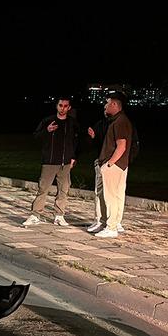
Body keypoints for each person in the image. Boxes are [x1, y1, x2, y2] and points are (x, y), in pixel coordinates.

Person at [22, 97, 80, 227]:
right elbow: (36, 137)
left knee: (63, 189)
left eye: (65, 106)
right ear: (57, 106)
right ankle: (35, 215)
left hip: (65, 163)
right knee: (43, 189)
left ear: (69, 108)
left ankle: (59, 216)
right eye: (60, 105)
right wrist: (46, 131)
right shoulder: (48, 121)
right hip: (49, 161)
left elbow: (76, 142)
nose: (63, 108)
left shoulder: (72, 123)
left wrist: (73, 157)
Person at [87, 92, 132, 238]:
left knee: (110, 196)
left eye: (107, 103)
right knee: (116, 195)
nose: (104, 106)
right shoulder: (118, 121)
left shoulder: (120, 122)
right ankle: (112, 224)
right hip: (117, 164)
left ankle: (111, 226)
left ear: (114, 104)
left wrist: (109, 164)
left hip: (114, 165)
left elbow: (122, 146)